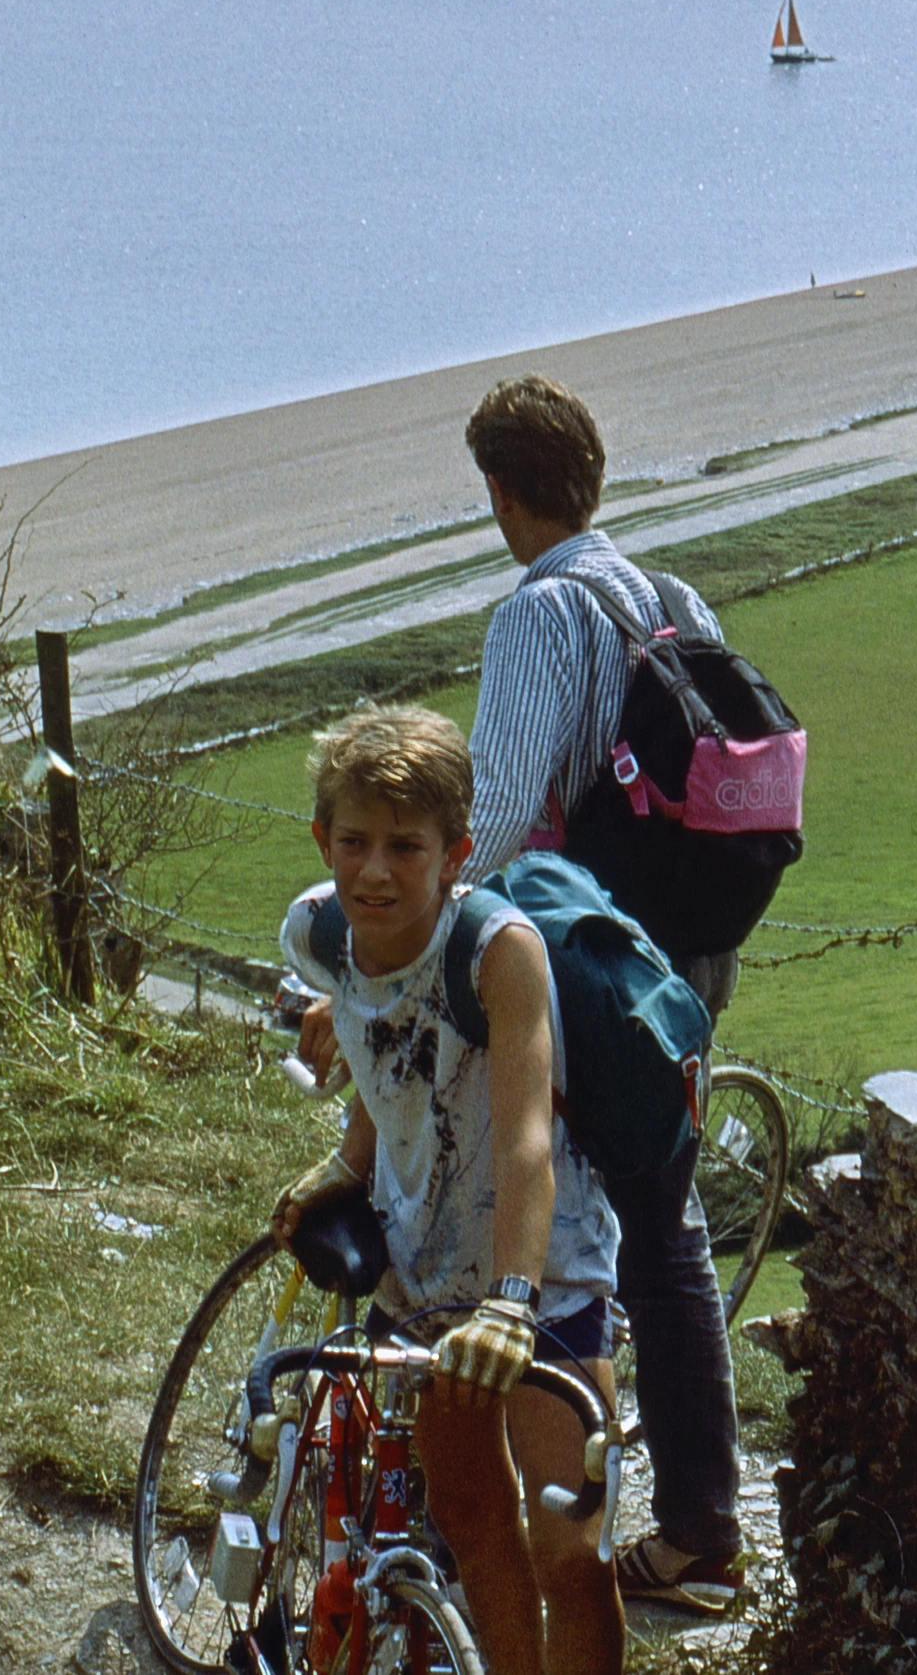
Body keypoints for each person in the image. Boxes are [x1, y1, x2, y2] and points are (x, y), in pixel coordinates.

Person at [458, 374, 749, 1618]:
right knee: (660, 1219)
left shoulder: (539, 616)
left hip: (579, 965)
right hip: (679, 960)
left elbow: (494, 815)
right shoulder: (670, 599)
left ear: (503, 493)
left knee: (564, 1231)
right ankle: (693, 1519)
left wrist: (423, 933)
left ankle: (599, 1527)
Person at [275, 705, 622, 1675]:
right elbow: (383, 1049)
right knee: (471, 1519)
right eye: (353, 843)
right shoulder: (318, 935)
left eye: (405, 848)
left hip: (538, 1261)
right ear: (322, 840)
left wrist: (513, 1306)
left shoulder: (498, 952)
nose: (375, 871)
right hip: (425, 1259)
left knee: (571, 1547)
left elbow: (522, 1136)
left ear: (456, 852)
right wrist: (347, 1163)